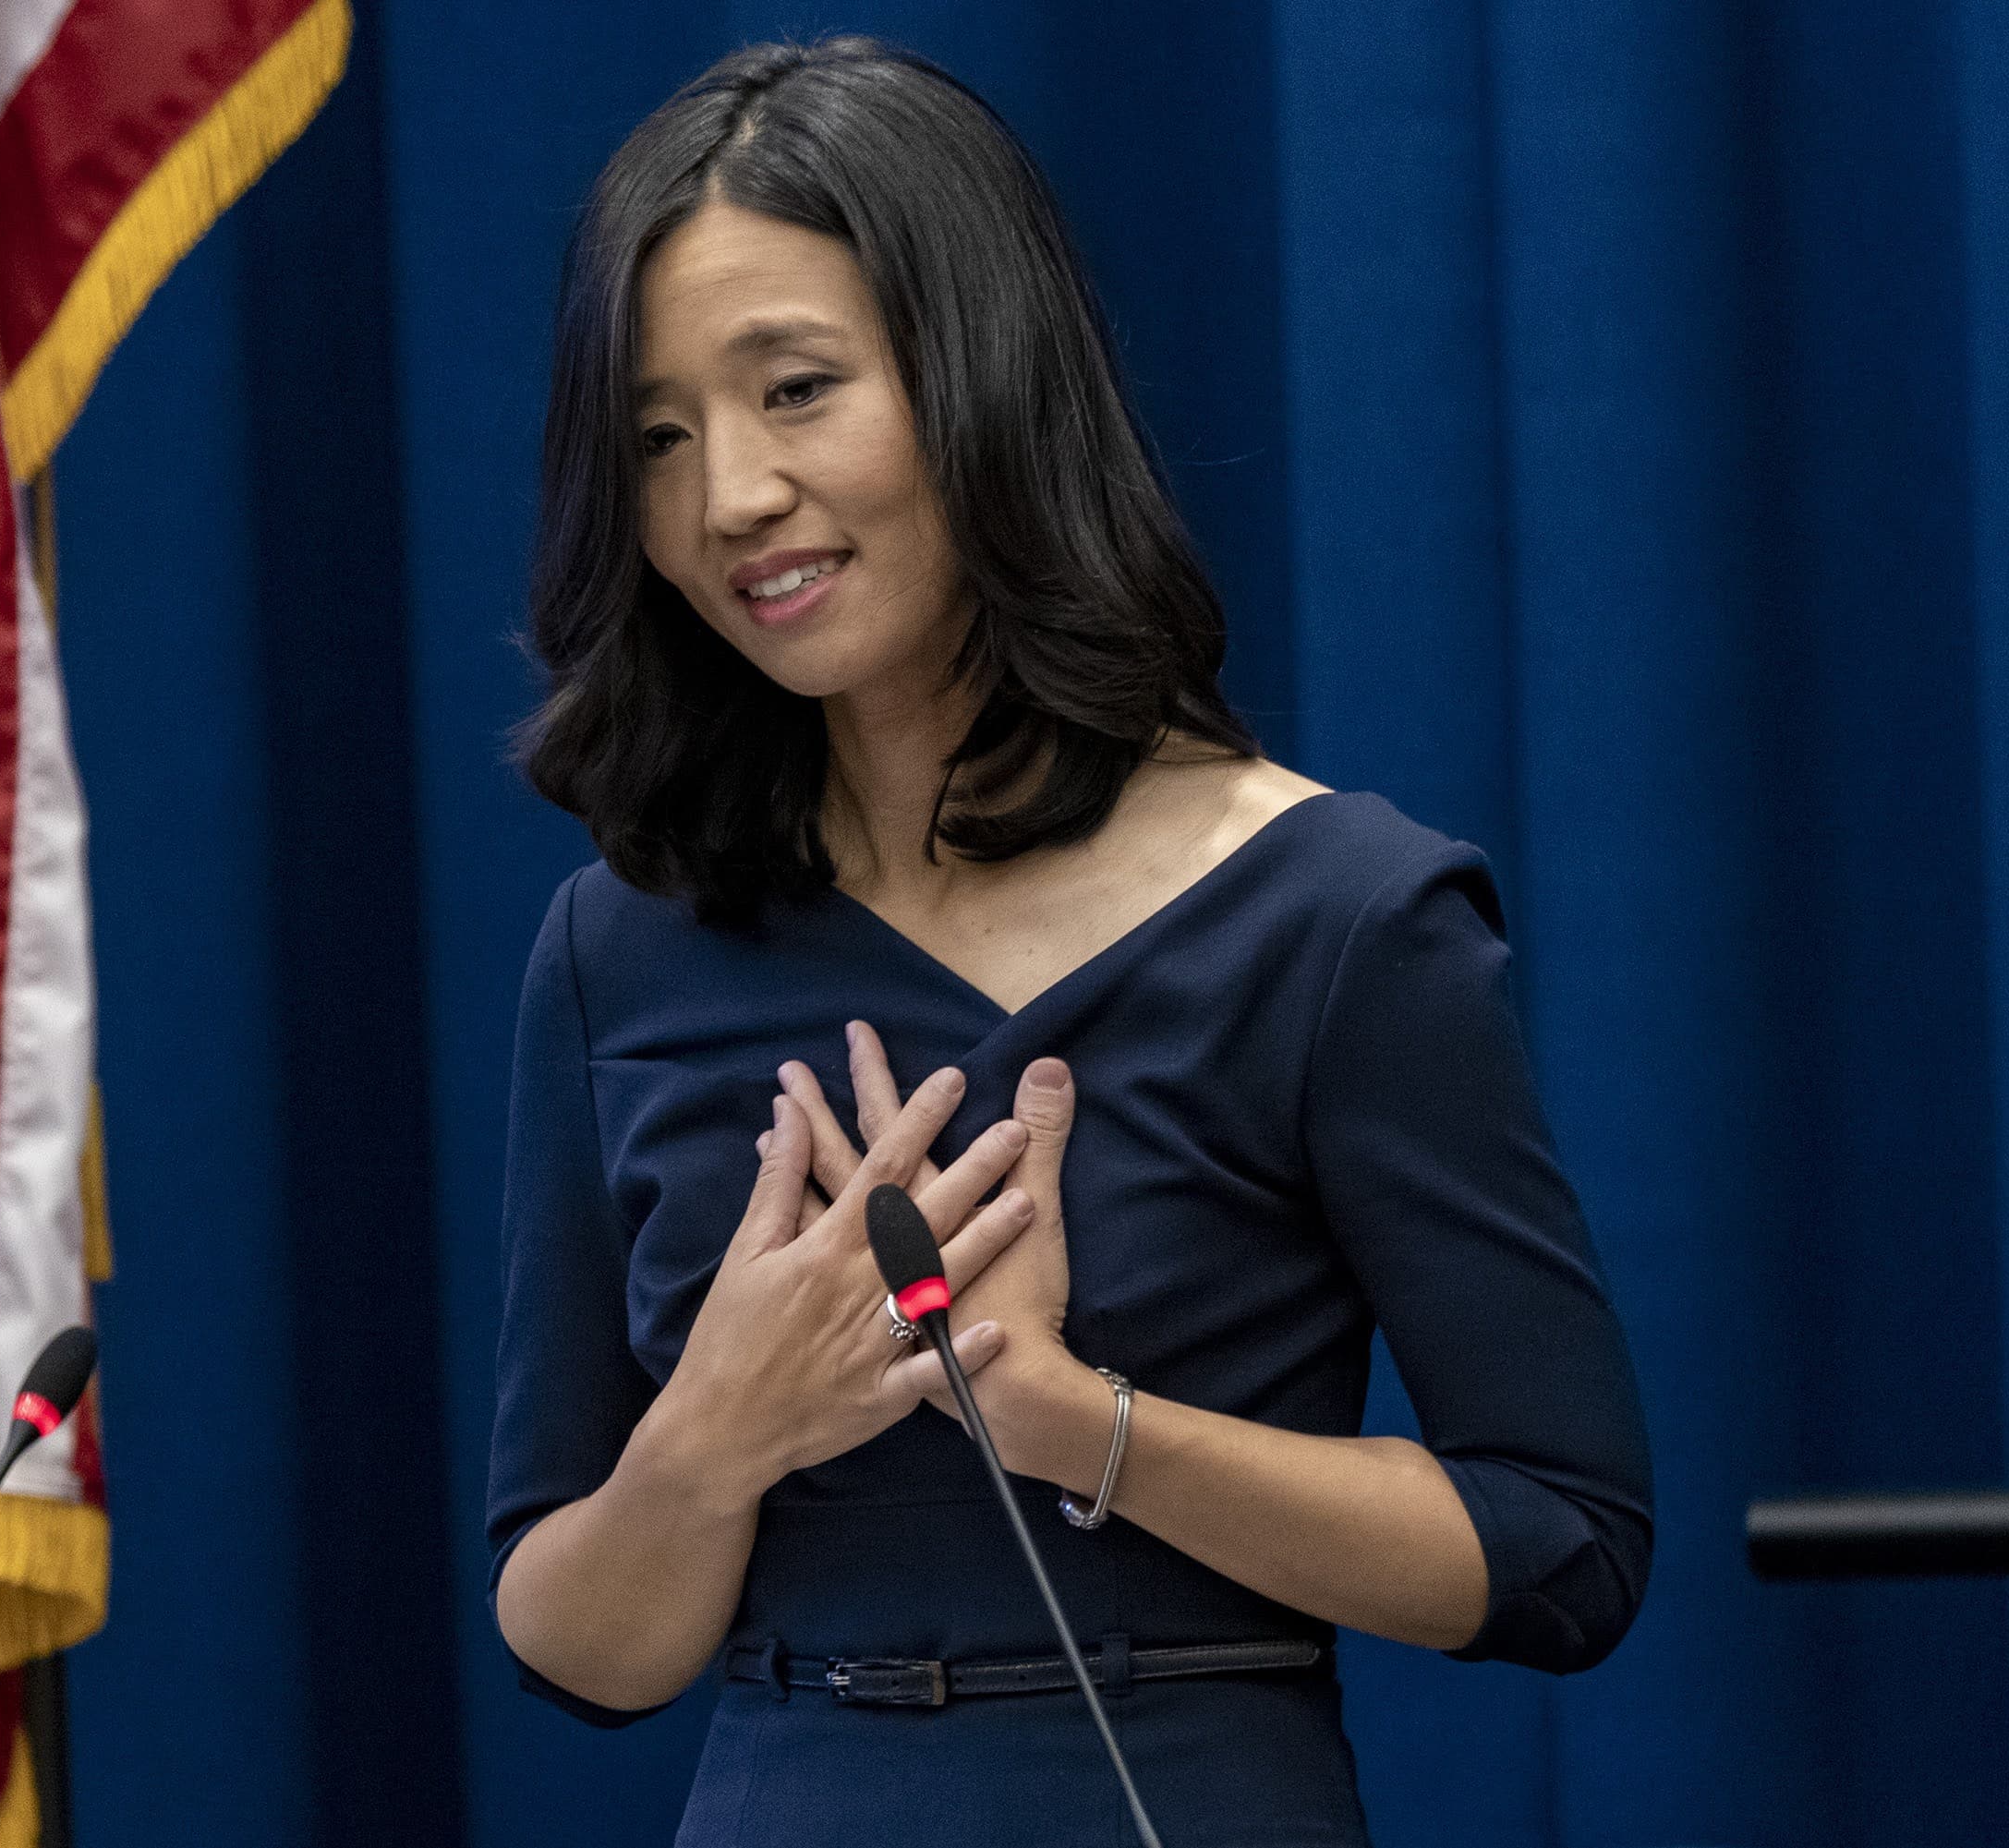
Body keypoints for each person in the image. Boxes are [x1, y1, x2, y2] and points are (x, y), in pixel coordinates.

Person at [485, 36, 1650, 1846]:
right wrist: (715, 1428)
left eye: (796, 390)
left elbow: (1565, 1544)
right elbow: (576, 1642)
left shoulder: (1339, 915)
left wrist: (1071, 1417)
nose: (727, 501)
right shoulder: (613, 948)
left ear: (981, 382)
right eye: (658, 435)